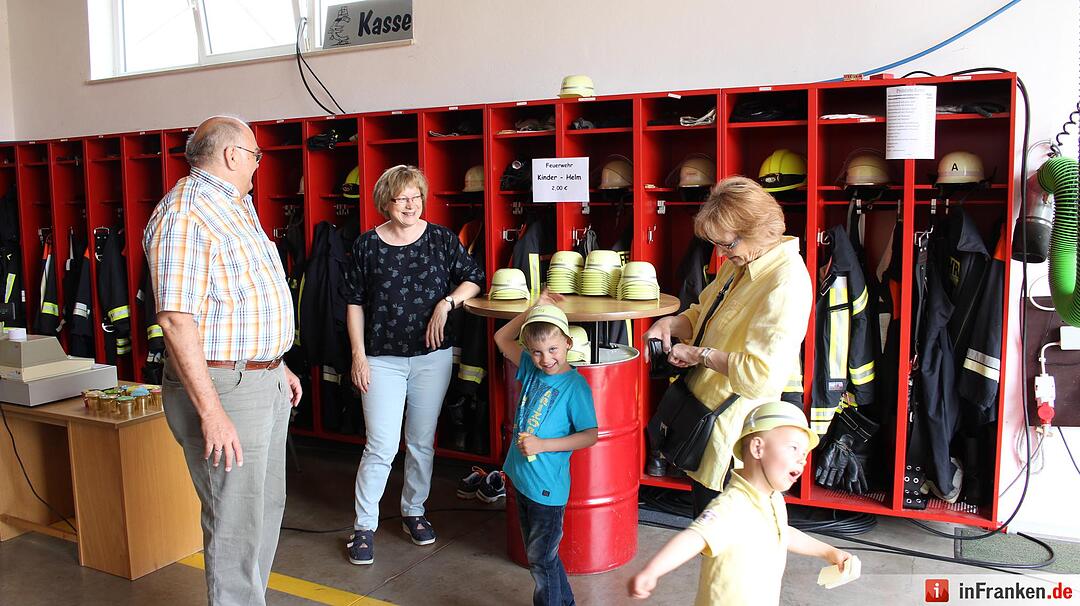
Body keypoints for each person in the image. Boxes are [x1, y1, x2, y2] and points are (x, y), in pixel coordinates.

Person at [143, 115, 304, 606]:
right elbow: (176, 320)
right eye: (256, 155)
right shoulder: (186, 215)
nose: (258, 164)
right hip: (225, 389)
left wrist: (277, 362)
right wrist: (212, 411)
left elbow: (237, 303)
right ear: (233, 155)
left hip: (262, 380)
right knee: (234, 518)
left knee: (263, 507)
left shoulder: (235, 205)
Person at [642, 176, 812, 516]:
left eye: (727, 244)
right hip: (703, 422)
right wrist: (669, 324)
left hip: (735, 439)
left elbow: (760, 376)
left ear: (759, 230)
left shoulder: (786, 282)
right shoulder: (742, 263)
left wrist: (697, 354)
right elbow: (703, 313)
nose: (720, 253)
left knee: (728, 546)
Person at [344, 165, 484, 564]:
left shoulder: (440, 239)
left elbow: (474, 277)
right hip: (381, 360)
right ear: (385, 202)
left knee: (421, 442)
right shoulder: (366, 245)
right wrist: (358, 356)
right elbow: (353, 302)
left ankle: (414, 511)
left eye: (416, 196)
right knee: (381, 445)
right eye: (401, 197)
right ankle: (363, 526)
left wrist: (448, 301)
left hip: (431, 359)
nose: (410, 204)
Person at [629, 402, 853, 605]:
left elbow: (781, 534)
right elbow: (695, 537)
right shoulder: (733, 505)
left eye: (804, 453)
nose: (802, 459)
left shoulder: (772, 498)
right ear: (758, 448)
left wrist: (828, 551)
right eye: (793, 448)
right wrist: (652, 571)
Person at [493, 296, 598, 606]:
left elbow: (590, 436)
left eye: (553, 349)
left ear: (567, 343)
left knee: (541, 560)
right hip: (523, 480)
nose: (545, 359)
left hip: (548, 490)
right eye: (537, 352)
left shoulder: (575, 387)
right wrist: (534, 308)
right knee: (542, 558)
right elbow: (501, 337)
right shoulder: (529, 367)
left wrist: (543, 445)